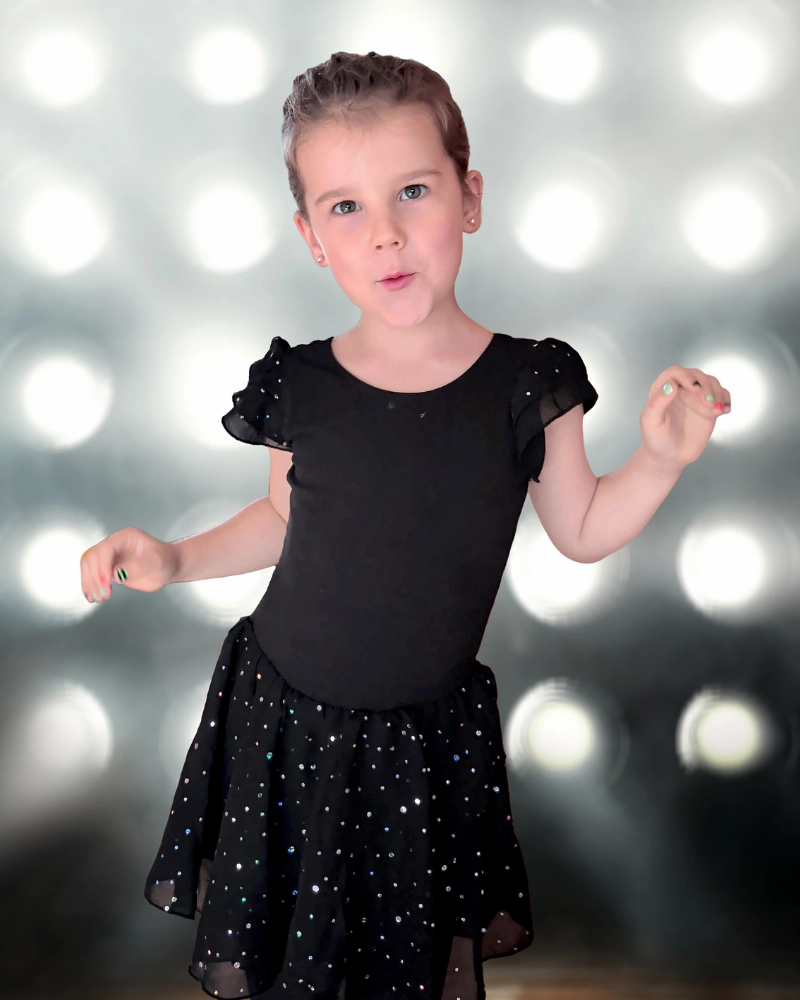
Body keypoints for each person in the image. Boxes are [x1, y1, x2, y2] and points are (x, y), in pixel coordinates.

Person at [78, 51, 731, 1000]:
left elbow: (583, 529)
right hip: (286, 718)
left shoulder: (530, 385)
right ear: (311, 236)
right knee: (291, 964)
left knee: (408, 970)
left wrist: (663, 459)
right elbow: (280, 517)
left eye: (412, 192)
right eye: (346, 208)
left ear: (469, 198)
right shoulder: (300, 384)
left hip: (423, 743)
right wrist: (175, 557)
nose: (386, 236)